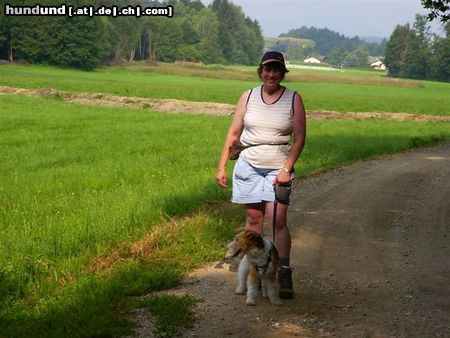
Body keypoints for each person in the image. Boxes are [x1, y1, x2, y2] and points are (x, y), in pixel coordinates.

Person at [216, 51, 307, 299]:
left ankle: (283, 272)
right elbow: (233, 133)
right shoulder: (248, 96)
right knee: (253, 220)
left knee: (277, 220)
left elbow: (299, 138)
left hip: (279, 169)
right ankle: (252, 274)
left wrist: (287, 169)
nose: (271, 74)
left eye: (277, 70)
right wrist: (222, 166)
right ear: (260, 71)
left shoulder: (293, 99)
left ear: (283, 72)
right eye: (267, 69)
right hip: (248, 166)